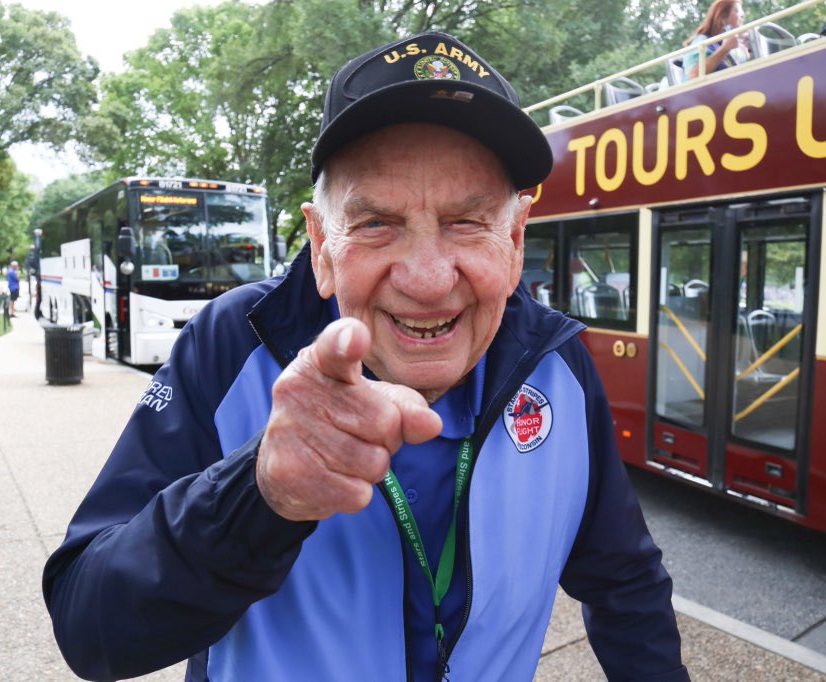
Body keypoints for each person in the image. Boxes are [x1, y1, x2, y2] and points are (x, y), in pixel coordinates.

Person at [43, 31, 687, 682]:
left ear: (515, 238)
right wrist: (257, 495)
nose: (429, 278)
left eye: (467, 222)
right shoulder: (231, 343)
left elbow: (626, 582)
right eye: (378, 223)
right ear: (322, 245)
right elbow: (89, 628)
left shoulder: (560, 368)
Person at [682, 0, 750, 79]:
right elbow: (694, 75)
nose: (742, 15)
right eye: (737, 11)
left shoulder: (733, 48)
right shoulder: (703, 42)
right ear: (723, 18)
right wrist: (725, 49)